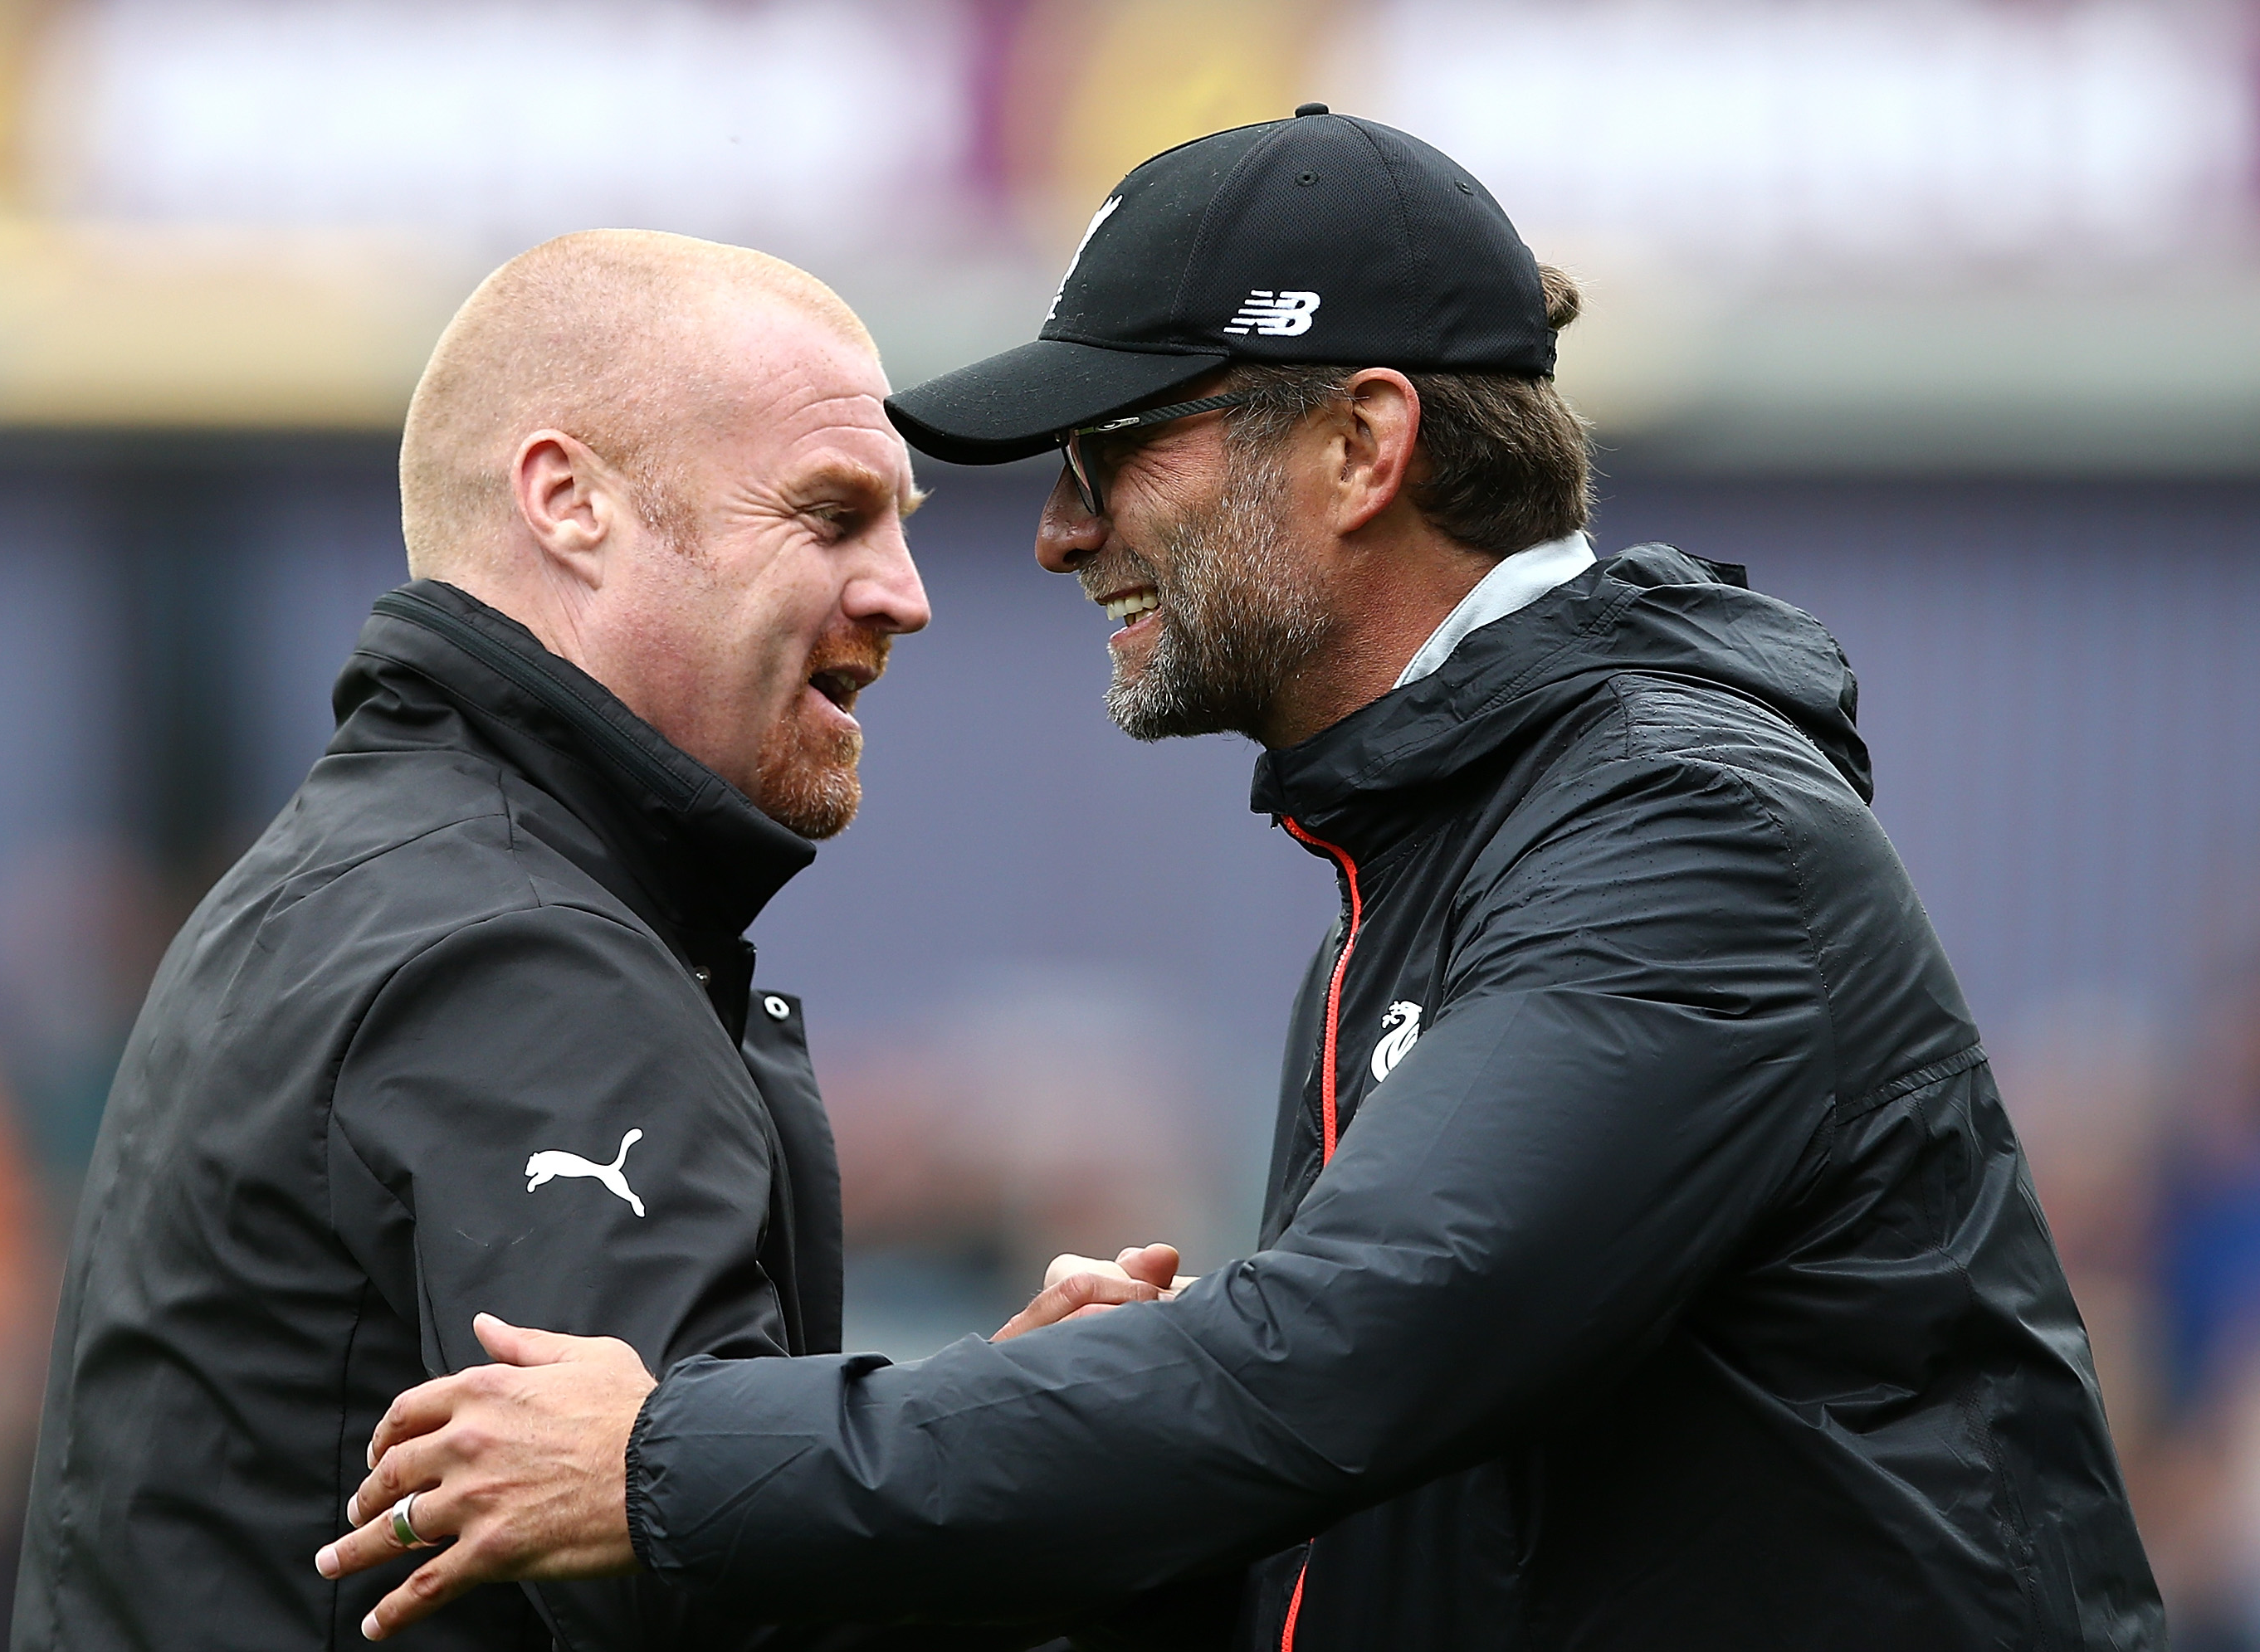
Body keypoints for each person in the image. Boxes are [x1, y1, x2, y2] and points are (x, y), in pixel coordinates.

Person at [324, 112, 2165, 1650]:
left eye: (1118, 447)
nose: (1055, 533)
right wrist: (1073, 1439)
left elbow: (1327, 1368)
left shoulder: (1681, 834)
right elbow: (1376, 1485)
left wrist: (663, 1464)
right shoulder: (1445, 851)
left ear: (1367, 445)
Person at [11, 230, 944, 1650]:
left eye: (904, 525)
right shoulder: (523, 955)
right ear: (569, 502)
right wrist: (1040, 1482)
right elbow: (716, 1601)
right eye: (831, 516)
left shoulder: (360, 873)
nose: (904, 593)